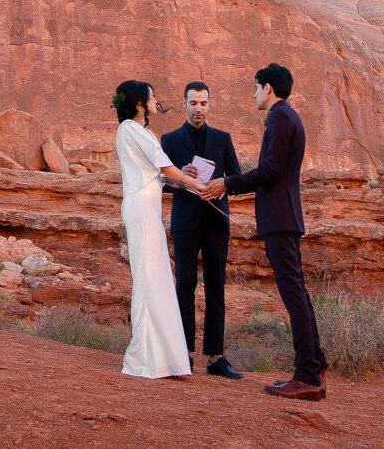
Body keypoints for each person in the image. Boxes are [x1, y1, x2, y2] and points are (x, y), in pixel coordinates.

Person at [196, 62, 327, 399]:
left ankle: (308, 375)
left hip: (280, 218)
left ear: (268, 88)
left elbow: (269, 170)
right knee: (297, 292)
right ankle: (313, 367)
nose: (254, 94)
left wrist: (227, 183)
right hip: (284, 216)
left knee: (293, 293)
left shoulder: (281, 116)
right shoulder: (288, 116)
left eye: (256, 88)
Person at [110, 79, 197, 379]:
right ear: (138, 102)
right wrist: (196, 184)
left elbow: (158, 174)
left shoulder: (133, 132)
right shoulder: (131, 129)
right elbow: (162, 167)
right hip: (142, 210)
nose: (155, 99)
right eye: (152, 95)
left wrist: (182, 176)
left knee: (156, 276)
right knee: (148, 276)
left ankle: (162, 358)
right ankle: (144, 357)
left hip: (146, 208)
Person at [161, 80, 244, 379]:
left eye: (204, 103)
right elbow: (161, 181)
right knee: (185, 285)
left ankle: (215, 357)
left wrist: (224, 186)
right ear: (183, 103)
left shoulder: (223, 138)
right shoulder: (169, 139)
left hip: (215, 221)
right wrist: (180, 177)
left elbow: (236, 177)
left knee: (216, 288)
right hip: (185, 222)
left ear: (209, 104)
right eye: (194, 103)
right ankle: (184, 354)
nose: (199, 108)